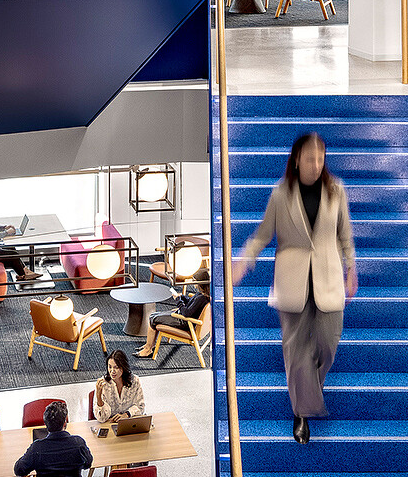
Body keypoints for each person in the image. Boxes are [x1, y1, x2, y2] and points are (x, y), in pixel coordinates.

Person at [231, 132, 357, 445]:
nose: (316, 164)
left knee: (327, 345)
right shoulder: (281, 194)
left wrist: (351, 268)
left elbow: (344, 233)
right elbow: (263, 234)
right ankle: (301, 413)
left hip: (328, 278)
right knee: (297, 351)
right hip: (292, 281)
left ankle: (309, 389)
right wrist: (244, 260)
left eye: (320, 158)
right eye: (310, 158)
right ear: (297, 159)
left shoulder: (336, 190)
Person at [134, 270, 211, 358]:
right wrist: (181, 297)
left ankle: (148, 350)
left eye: (194, 280)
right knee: (153, 315)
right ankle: (149, 345)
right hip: (185, 318)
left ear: (200, 283)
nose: (193, 283)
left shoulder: (201, 298)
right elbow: (192, 304)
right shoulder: (203, 294)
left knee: (153, 319)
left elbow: (186, 313)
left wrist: (178, 301)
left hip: (184, 322)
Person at [14, 401, 93, 477]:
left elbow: (19, 470)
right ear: (64, 423)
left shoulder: (36, 448)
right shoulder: (78, 443)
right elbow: (88, 464)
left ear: (45, 424)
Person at [94, 350, 145, 422]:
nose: (112, 371)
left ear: (123, 367)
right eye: (110, 367)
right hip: (110, 423)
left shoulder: (135, 381)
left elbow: (141, 407)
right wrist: (98, 397)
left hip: (129, 422)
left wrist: (127, 414)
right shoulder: (103, 384)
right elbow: (102, 418)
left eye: (116, 367)